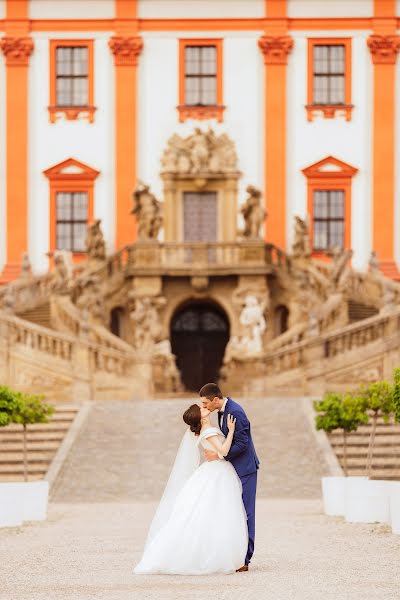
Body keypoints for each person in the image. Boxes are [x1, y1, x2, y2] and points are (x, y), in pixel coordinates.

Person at [133, 403, 248, 575]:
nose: (204, 408)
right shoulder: (208, 431)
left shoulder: (206, 430)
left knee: (215, 515)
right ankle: (221, 556)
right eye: (201, 409)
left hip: (215, 471)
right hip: (218, 473)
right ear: (200, 417)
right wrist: (231, 431)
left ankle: (225, 554)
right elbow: (224, 451)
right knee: (221, 513)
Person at [200, 383, 259, 572]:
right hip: (233, 468)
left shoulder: (235, 412)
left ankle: (245, 558)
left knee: (246, 513)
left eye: (205, 403)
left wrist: (219, 455)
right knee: (235, 511)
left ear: (215, 399)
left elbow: (242, 444)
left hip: (245, 469)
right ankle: (236, 553)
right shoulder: (221, 412)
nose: (204, 406)